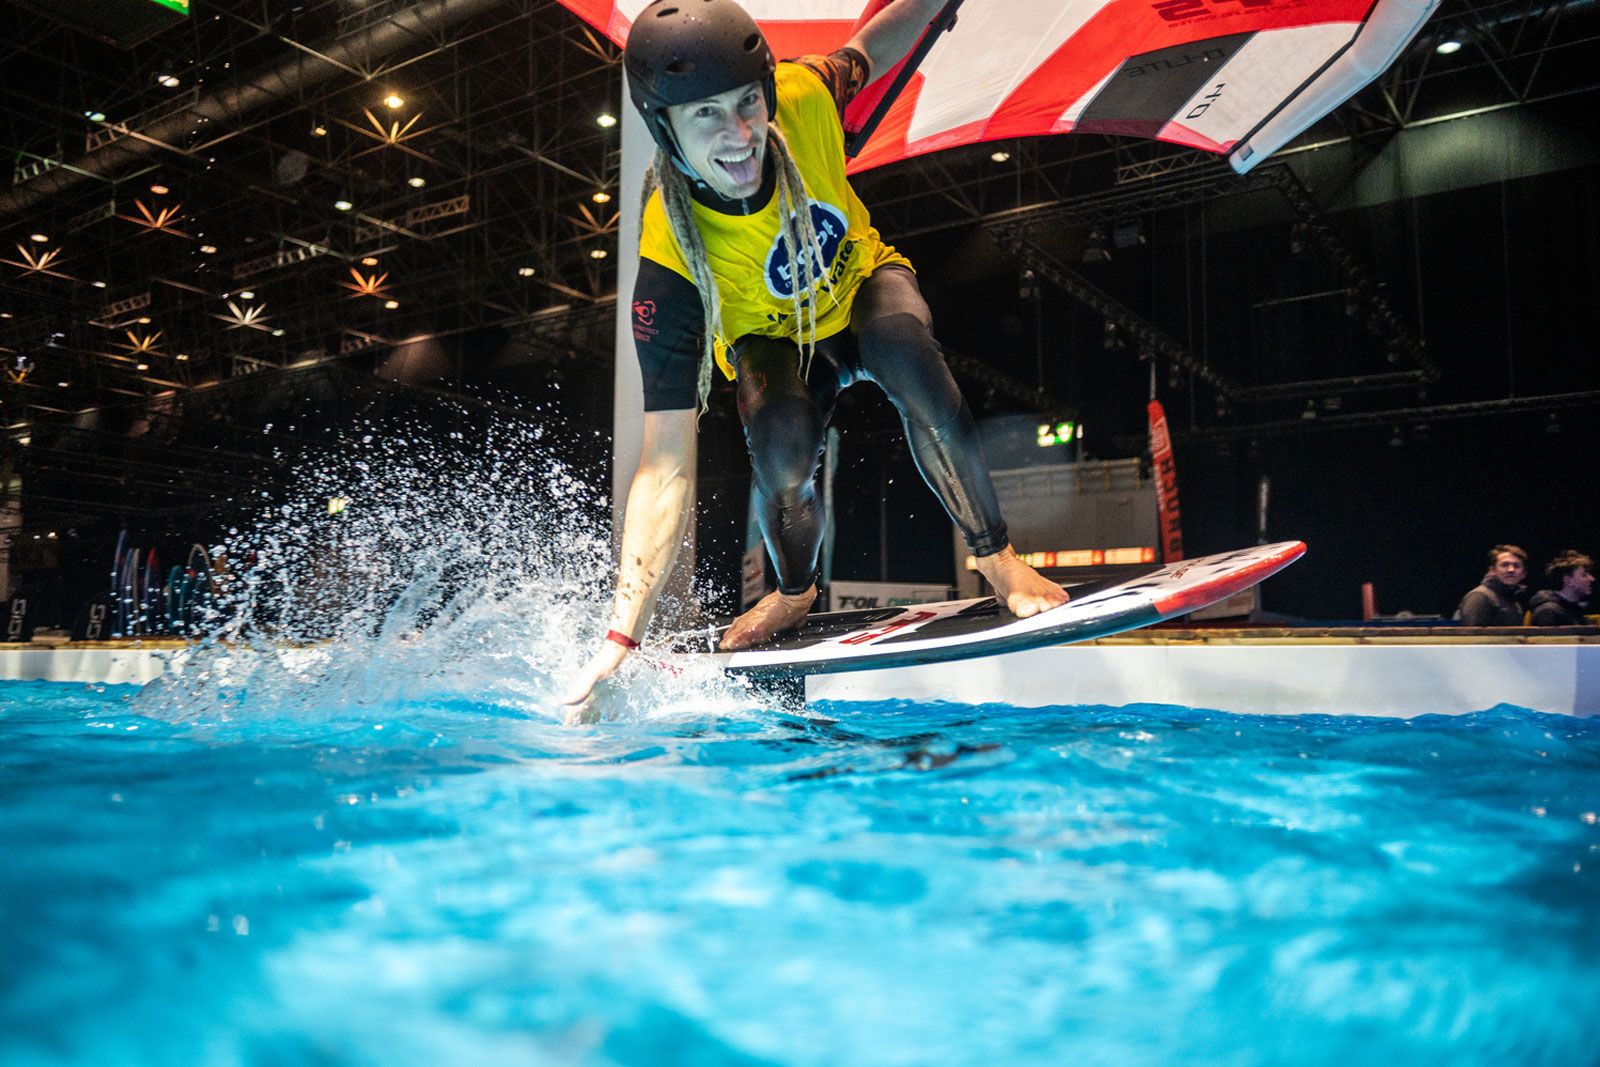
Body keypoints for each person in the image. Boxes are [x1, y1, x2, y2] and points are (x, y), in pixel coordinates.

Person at [560, 0, 1067, 720]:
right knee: (782, 443)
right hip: (776, 343)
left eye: (747, 101)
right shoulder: (668, 258)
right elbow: (664, 465)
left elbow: (872, 45)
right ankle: (794, 592)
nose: (741, 136)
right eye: (706, 115)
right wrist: (621, 636)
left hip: (861, 291)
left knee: (904, 350)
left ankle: (996, 556)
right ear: (663, 126)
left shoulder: (803, 97)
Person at [1456, 544, 1528, 626]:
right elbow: (1471, 633)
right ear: (1492, 570)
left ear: (1524, 574)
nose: (1511, 570)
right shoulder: (1480, 596)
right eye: (1504, 565)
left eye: (1517, 566)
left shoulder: (1513, 600)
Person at [1528, 550, 1593, 626]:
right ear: (1568, 580)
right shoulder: (1548, 612)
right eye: (1584, 575)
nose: (1591, 579)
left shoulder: (1574, 609)